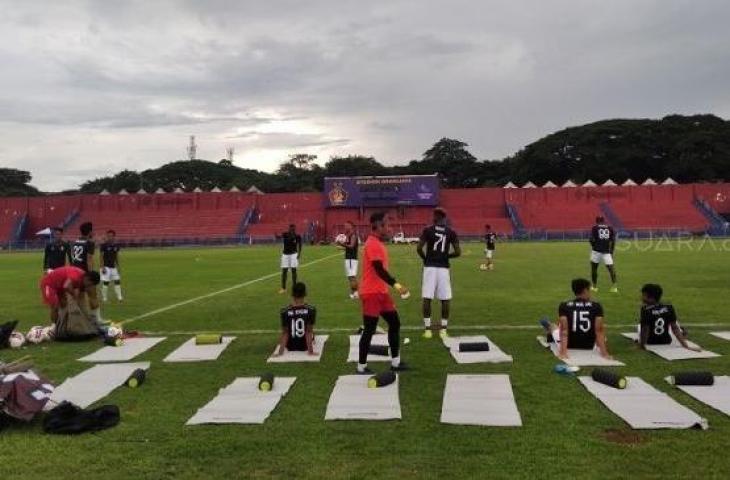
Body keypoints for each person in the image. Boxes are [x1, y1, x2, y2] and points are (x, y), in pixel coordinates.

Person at [357, 212, 409, 374]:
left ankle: (396, 362)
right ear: (378, 226)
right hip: (372, 293)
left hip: (381, 292)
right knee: (369, 329)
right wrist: (397, 284)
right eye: (387, 224)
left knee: (394, 323)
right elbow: (379, 269)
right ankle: (361, 366)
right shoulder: (372, 243)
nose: (389, 227)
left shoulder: (378, 243)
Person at [539, 278, 612, 360]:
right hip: (590, 345)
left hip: (570, 345)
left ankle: (548, 325)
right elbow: (599, 331)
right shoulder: (596, 306)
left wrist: (563, 353)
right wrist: (605, 354)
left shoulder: (564, 305)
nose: (590, 293)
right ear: (585, 290)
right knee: (604, 336)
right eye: (589, 290)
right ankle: (549, 326)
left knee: (555, 328)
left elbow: (564, 331)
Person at [417, 208, 460, 339]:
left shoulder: (428, 230)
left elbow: (419, 248)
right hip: (443, 268)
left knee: (427, 298)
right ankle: (443, 330)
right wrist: (447, 256)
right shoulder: (451, 232)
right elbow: (458, 252)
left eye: (433, 215)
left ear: (436, 217)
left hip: (430, 267)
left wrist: (425, 258)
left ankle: (428, 330)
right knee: (445, 299)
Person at [638, 283, 700, 352]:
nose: (641, 297)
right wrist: (686, 346)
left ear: (651, 297)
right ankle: (682, 330)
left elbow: (645, 330)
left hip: (650, 341)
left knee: (640, 326)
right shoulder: (669, 307)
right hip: (666, 340)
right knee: (673, 323)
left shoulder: (645, 310)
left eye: (644, 295)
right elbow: (675, 327)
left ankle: (682, 330)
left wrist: (641, 345)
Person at [273, 282, 317, 356]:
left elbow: (285, 332)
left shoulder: (284, 311)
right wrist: (311, 352)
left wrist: (280, 353)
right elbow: (309, 331)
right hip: (304, 346)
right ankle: (313, 341)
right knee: (311, 330)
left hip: (290, 346)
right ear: (305, 293)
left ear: (292, 294)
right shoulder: (311, 309)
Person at [589, 216, 617, 293]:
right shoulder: (610, 228)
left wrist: (594, 246)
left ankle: (594, 287)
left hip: (596, 251)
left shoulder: (594, 227)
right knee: (611, 269)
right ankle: (614, 287)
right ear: (604, 221)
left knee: (594, 269)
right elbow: (613, 240)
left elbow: (591, 239)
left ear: (596, 221)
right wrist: (611, 251)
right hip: (606, 251)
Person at [336, 221, 360, 299]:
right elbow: (349, 247)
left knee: (352, 276)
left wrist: (341, 244)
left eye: (346, 225)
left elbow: (352, 246)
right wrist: (342, 248)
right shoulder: (349, 235)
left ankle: (355, 293)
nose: (345, 227)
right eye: (345, 225)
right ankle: (354, 293)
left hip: (351, 259)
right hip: (350, 258)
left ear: (351, 226)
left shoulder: (353, 235)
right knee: (351, 277)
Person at [99, 229, 123, 302]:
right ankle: (104, 298)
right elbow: (101, 256)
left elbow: (117, 256)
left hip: (113, 267)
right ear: (107, 236)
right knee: (106, 282)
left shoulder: (116, 246)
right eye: (108, 236)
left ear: (114, 237)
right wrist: (102, 267)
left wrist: (118, 266)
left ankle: (120, 297)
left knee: (117, 281)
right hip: (106, 267)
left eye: (112, 236)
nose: (110, 237)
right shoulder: (103, 245)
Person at [279, 224, 302, 294]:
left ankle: (294, 288)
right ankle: (283, 288)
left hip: (293, 254)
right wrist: (276, 235)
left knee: (293, 271)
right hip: (285, 255)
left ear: (295, 229)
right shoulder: (285, 234)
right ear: (289, 228)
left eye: (293, 228)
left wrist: (299, 254)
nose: (292, 229)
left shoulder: (297, 236)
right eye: (291, 228)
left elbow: (300, 245)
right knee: (284, 271)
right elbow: (279, 237)